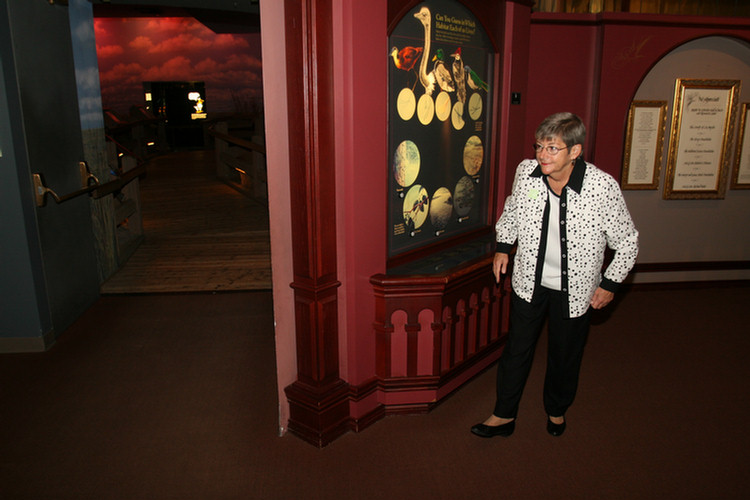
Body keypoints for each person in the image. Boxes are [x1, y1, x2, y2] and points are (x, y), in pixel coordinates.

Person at [471, 112, 638, 438]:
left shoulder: (601, 187)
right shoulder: (527, 173)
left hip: (575, 290)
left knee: (564, 355)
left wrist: (609, 284)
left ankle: (557, 409)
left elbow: (627, 242)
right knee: (516, 350)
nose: (542, 155)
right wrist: (504, 245)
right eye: (539, 146)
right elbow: (512, 210)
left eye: (552, 148)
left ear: (574, 151)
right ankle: (503, 415)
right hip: (528, 282)